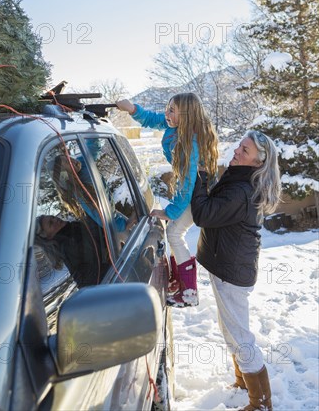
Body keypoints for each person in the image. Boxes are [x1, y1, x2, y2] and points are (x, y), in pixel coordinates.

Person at [191, 129, 281, 411]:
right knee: (231, 331)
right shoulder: (241, 178)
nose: (236, 152)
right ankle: (243, 382)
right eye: (239, 146)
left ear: (257, 163)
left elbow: (203, 214)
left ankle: (261, 402)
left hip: (232, 272)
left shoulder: (242, 191)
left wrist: (202, 176)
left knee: (241, 337)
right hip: (228, 267)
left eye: (245, 151)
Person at [116, 93, 218, 306]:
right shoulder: (176, 126)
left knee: (174, 232)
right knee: (174, 232)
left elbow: (188, 182)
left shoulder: (190, 143)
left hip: (197, 193)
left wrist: (170, 211)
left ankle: (189, 292)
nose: (166, 113)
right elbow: (153, 119)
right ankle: (180, 282)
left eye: (172, 110)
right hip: (189, 190)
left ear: (187, 115)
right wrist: (132, 109)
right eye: (167, 108)